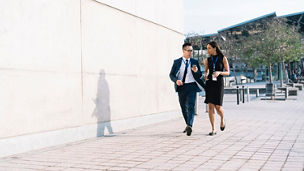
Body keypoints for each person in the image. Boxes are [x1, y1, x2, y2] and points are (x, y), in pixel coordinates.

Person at [169, 42, 205, 136]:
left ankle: (190, 125)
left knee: (191, 106)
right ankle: (187, 124)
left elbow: (200, 75)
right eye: (188, 50)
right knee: (183, 107)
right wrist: (176, 80)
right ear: (183, 51)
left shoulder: (194, 62)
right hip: (181, 86)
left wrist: (196, 71)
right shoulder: (177, 62)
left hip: (192, 86)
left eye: (191, 50)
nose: (190, 52)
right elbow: (171, 75)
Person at [204, 41, 230, 136]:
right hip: (210, 83)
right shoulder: (208, 59)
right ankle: (213, 129)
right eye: (207, 48)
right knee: (210, 106)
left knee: (218, 107)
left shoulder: (223, 58)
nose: (208, 50)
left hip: (219, 83)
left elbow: (228, 72)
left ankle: (222, 119)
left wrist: (219, 73)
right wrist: (206, 75)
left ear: (215, 48)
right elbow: (206, 71)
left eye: (209, 48)